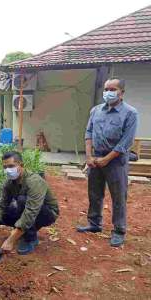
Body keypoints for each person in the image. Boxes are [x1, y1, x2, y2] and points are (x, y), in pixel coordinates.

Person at [77, 78, 138, 247]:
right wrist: (89, 157)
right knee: (95, 193)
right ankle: (94, 224)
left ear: (122, 93)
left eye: (113, 89)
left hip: (116, 161)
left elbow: (126, 142)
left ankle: (119, 230)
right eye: (106, 89)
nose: (108, 92)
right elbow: (88, 133)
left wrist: (107, 159)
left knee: (118, 196)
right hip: (96, 159)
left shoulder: (130, 113)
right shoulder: (96, 111)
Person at [0, 152, 59, 255]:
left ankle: (30, 238)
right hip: (26, 209)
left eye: (11, 166)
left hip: (47, 213)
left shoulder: (34, 182)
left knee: (22, 200)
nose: (8, 170)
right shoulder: (9, 182)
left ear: (21, 165)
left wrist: (11, 240)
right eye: (5, 167)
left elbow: (31, 212)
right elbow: (1, 204)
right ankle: (21, 230)